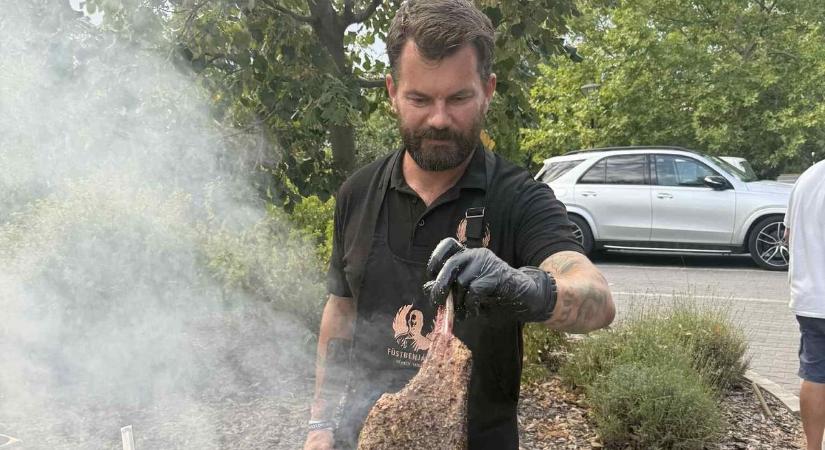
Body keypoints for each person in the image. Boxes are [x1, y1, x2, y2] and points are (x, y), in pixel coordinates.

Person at [302, 1, 615, 448]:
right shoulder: (358, 193)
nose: (439, 119)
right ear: (392, 91)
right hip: (367, 438)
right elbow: (341, 312)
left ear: (487, 90)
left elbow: (598, 300)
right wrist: (321, 424)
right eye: (419, 98)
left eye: (459, 98)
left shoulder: (518, 197)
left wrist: (526, 288)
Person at [784, 159, 825, 450]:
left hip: (811, 300)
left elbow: (787, 234)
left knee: (815, 374)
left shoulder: (808, 176)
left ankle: (813, 447)